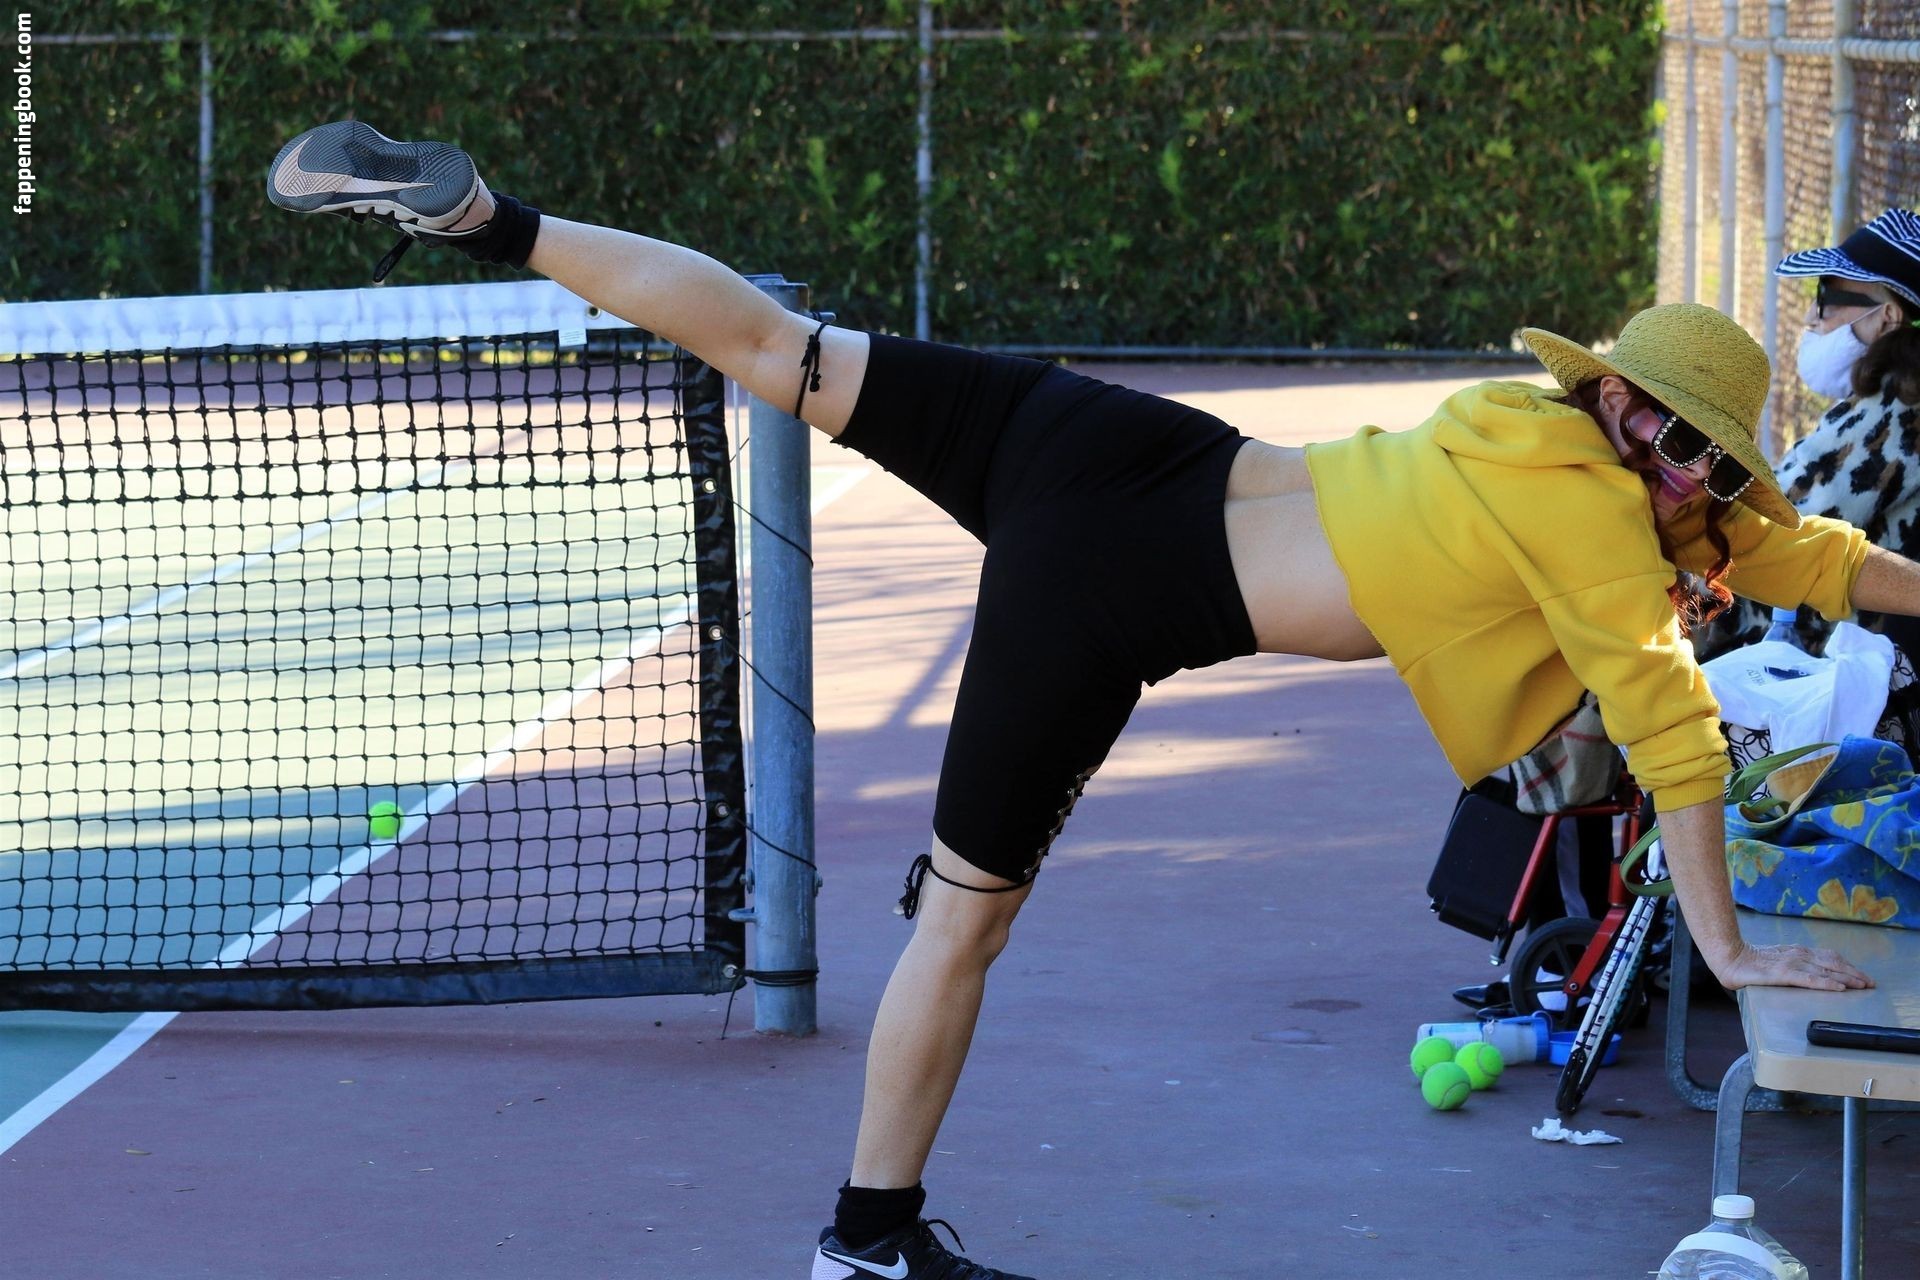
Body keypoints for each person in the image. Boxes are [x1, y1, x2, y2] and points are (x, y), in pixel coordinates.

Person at [268, 121, 1902, 1280]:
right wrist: (1733, 949)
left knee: (784, 347)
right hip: (1112, 587)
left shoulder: (1538, 427)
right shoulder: (1600, 514)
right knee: (961, 926)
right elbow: (1671, 728)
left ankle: (493, 219)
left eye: (1705, 455)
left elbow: (1809, 554)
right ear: (1612, 403)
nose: (1682, 467)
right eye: (1663, 430)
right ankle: (866, 1244)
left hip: (1108, 441)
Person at [1698, 207, 1920, 662]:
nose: (1810, 317)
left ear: (1888, 316)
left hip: (1844, 664)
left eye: (1827, 297)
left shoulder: (1895, 411)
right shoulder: (1891, 401)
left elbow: (1775, 534)